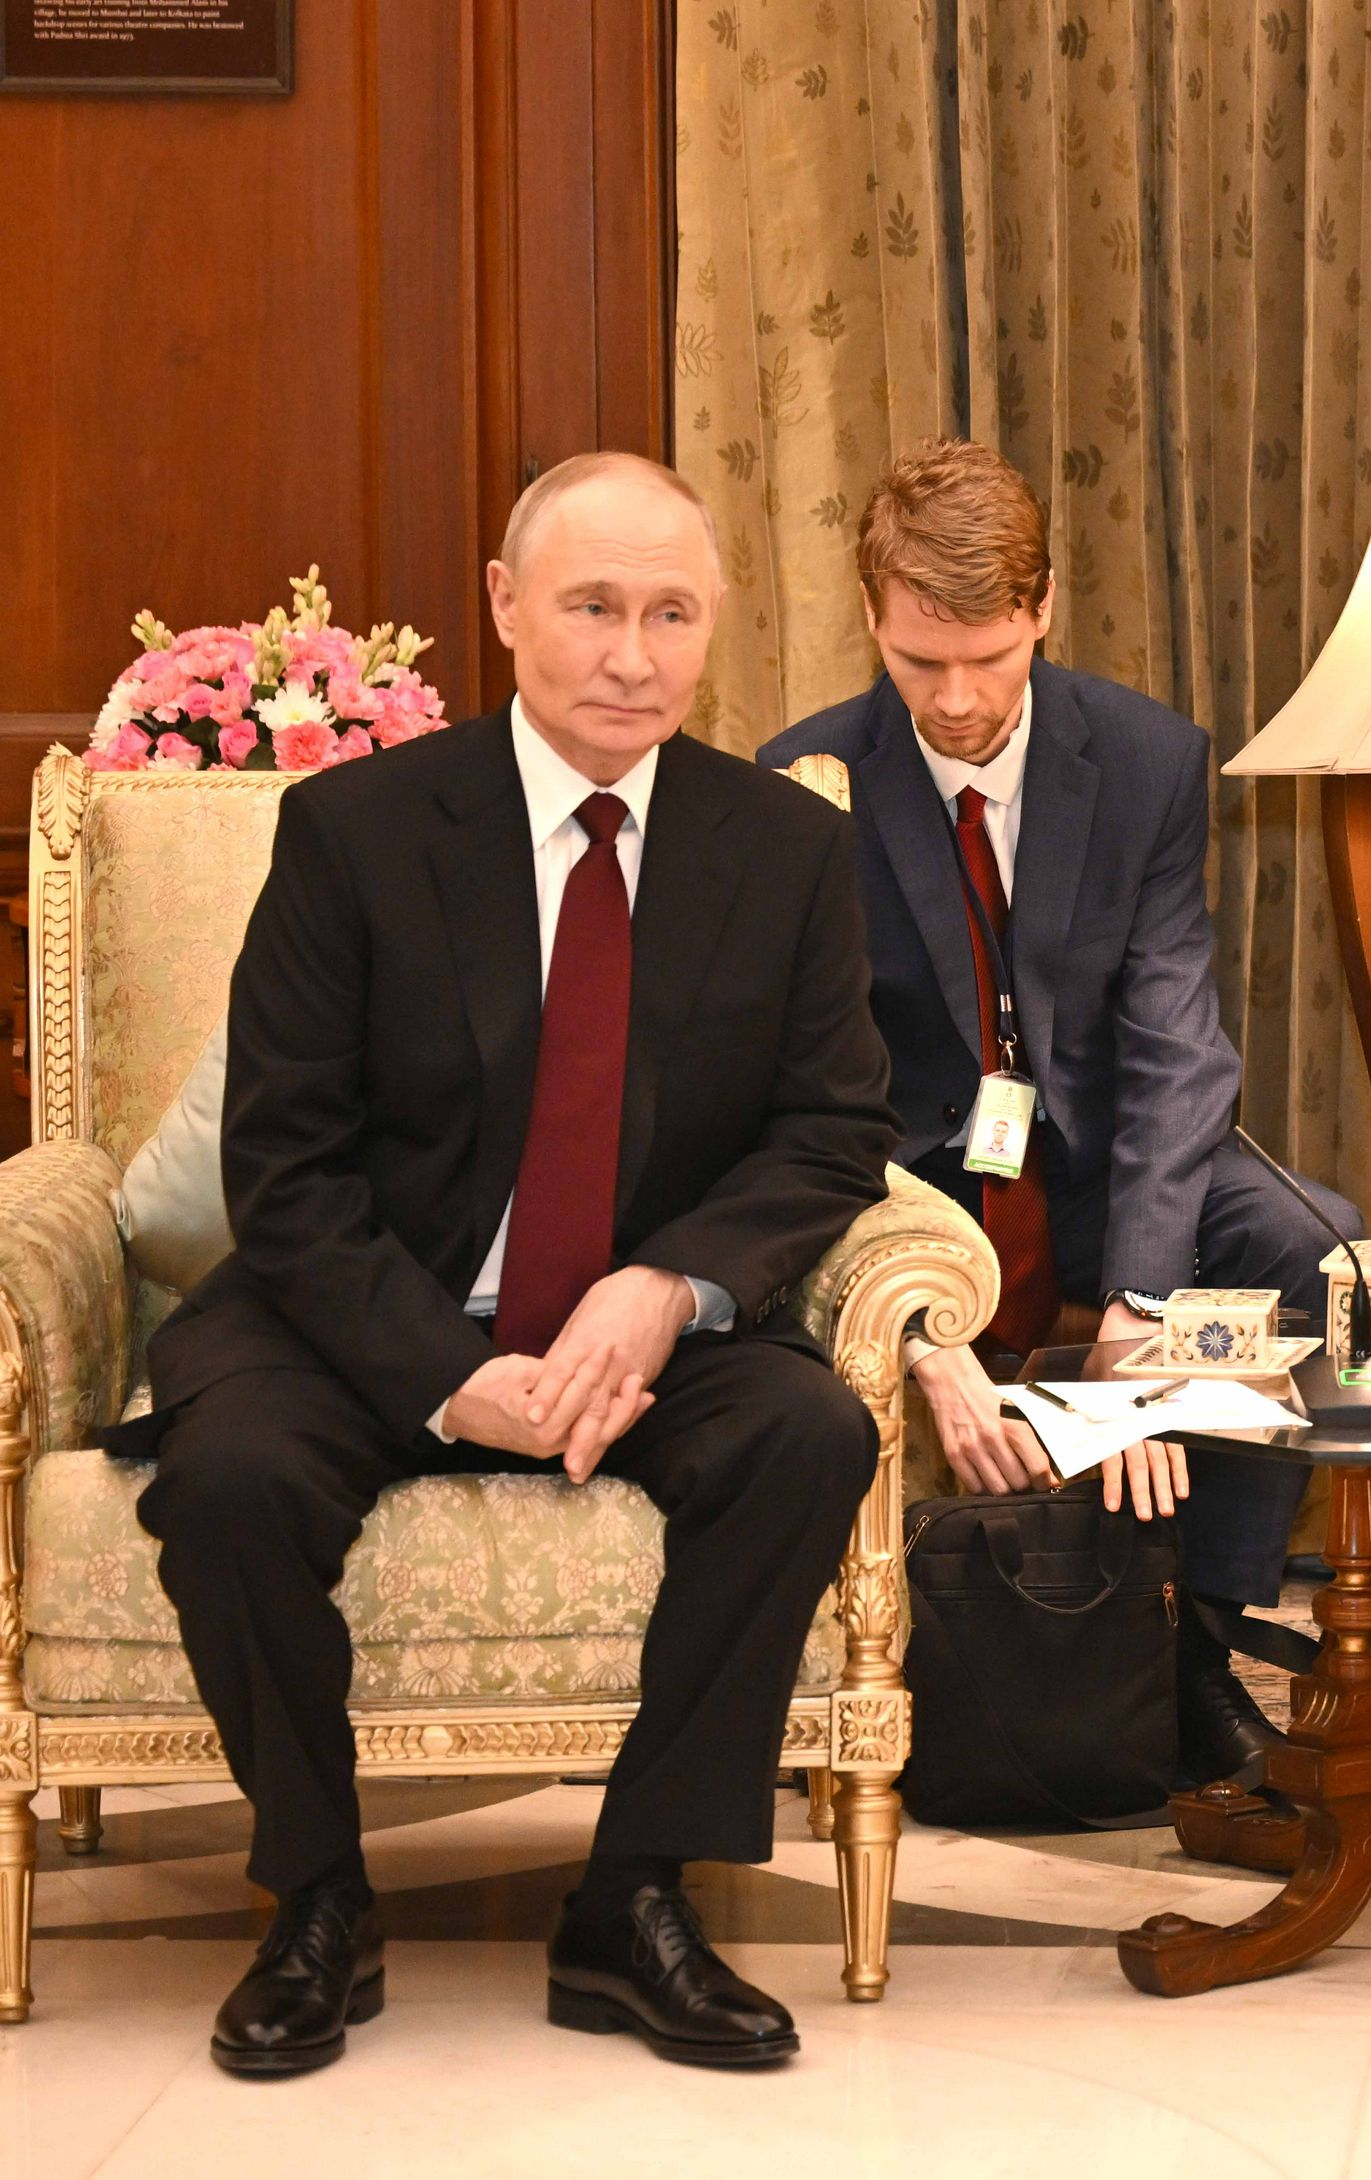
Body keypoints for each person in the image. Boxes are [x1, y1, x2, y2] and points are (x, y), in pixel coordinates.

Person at [127, 453, 897, 2075]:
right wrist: (444, 1374)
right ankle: (317, 1899)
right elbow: (284, 1165)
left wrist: (668, 1286)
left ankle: (635, 1897)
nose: (632, 655)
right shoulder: (355, 831)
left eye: (671, 614)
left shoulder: (785, 847)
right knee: (231, 1477)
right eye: (593, 606)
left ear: (713, 625)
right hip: (368, 1312)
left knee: (808, 1433)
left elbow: (831, 1131)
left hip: (636, 1328)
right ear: (504, 606)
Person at [760, 440, 1347, 1787]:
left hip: (1091, 1179)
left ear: (1042, 608)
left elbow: (1176, 1046)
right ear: (870, 617)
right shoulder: (806, 782)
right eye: (920, 663)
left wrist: (1142, 1307)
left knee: (1304, 1244)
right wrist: (918, 1325)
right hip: (914, 1190)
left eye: (988, 657)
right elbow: (807, 1101)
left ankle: (1193, 1646)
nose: (957, 700)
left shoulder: (1145, 759)